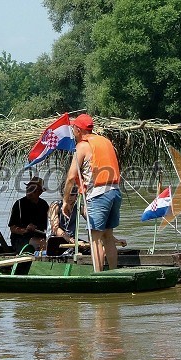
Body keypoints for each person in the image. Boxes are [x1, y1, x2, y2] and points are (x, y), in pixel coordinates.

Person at [62, 114, 122, 272]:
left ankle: (99, 275)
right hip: (115, 191)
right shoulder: (106, 141)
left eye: (74, 128)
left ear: (78, 130)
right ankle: (114, 272)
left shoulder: (82, 146)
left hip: (98, 194)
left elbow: (70, 177)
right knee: (108, 236)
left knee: (95, 239)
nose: (73, 131)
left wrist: (66, 202)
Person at [8, 176, 49, 253]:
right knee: (41, 243)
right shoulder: (19, 204)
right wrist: (25, 230)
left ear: (39, 192)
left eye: (33, 190)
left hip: (40, 237)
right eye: (28, 189)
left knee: (51, 243)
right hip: (20, 239)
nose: (29, 192)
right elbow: (12, 228)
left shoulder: (44, 205)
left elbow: (47, 227)